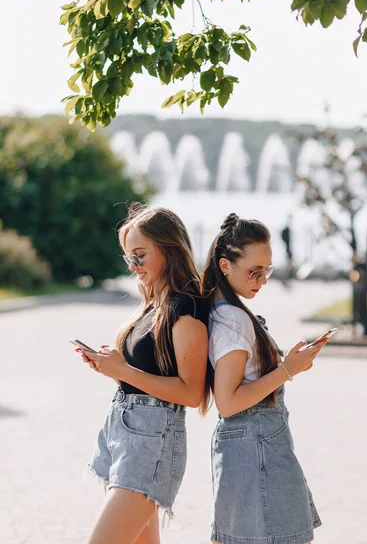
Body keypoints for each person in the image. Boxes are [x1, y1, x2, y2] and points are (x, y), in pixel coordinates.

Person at [76, 203, 209, 544]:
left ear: (168, 249)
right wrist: (114, 368)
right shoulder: (154, 304)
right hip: (123, 433)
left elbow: (191, 393)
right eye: (128, 258)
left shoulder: (185, 308)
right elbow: (144, 375)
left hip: (152, 442)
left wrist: (124, 370)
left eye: (140, 255)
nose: (133, 266)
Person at [201, 213, 326, 544]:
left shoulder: (225, 311)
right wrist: (288, 370)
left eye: (266, 271)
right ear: (225, 265)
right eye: (254, 272)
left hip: (250, 445)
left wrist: (286, 363)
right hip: (256, 446)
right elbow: (228, 402)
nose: (263, 280)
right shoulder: (232, 319)